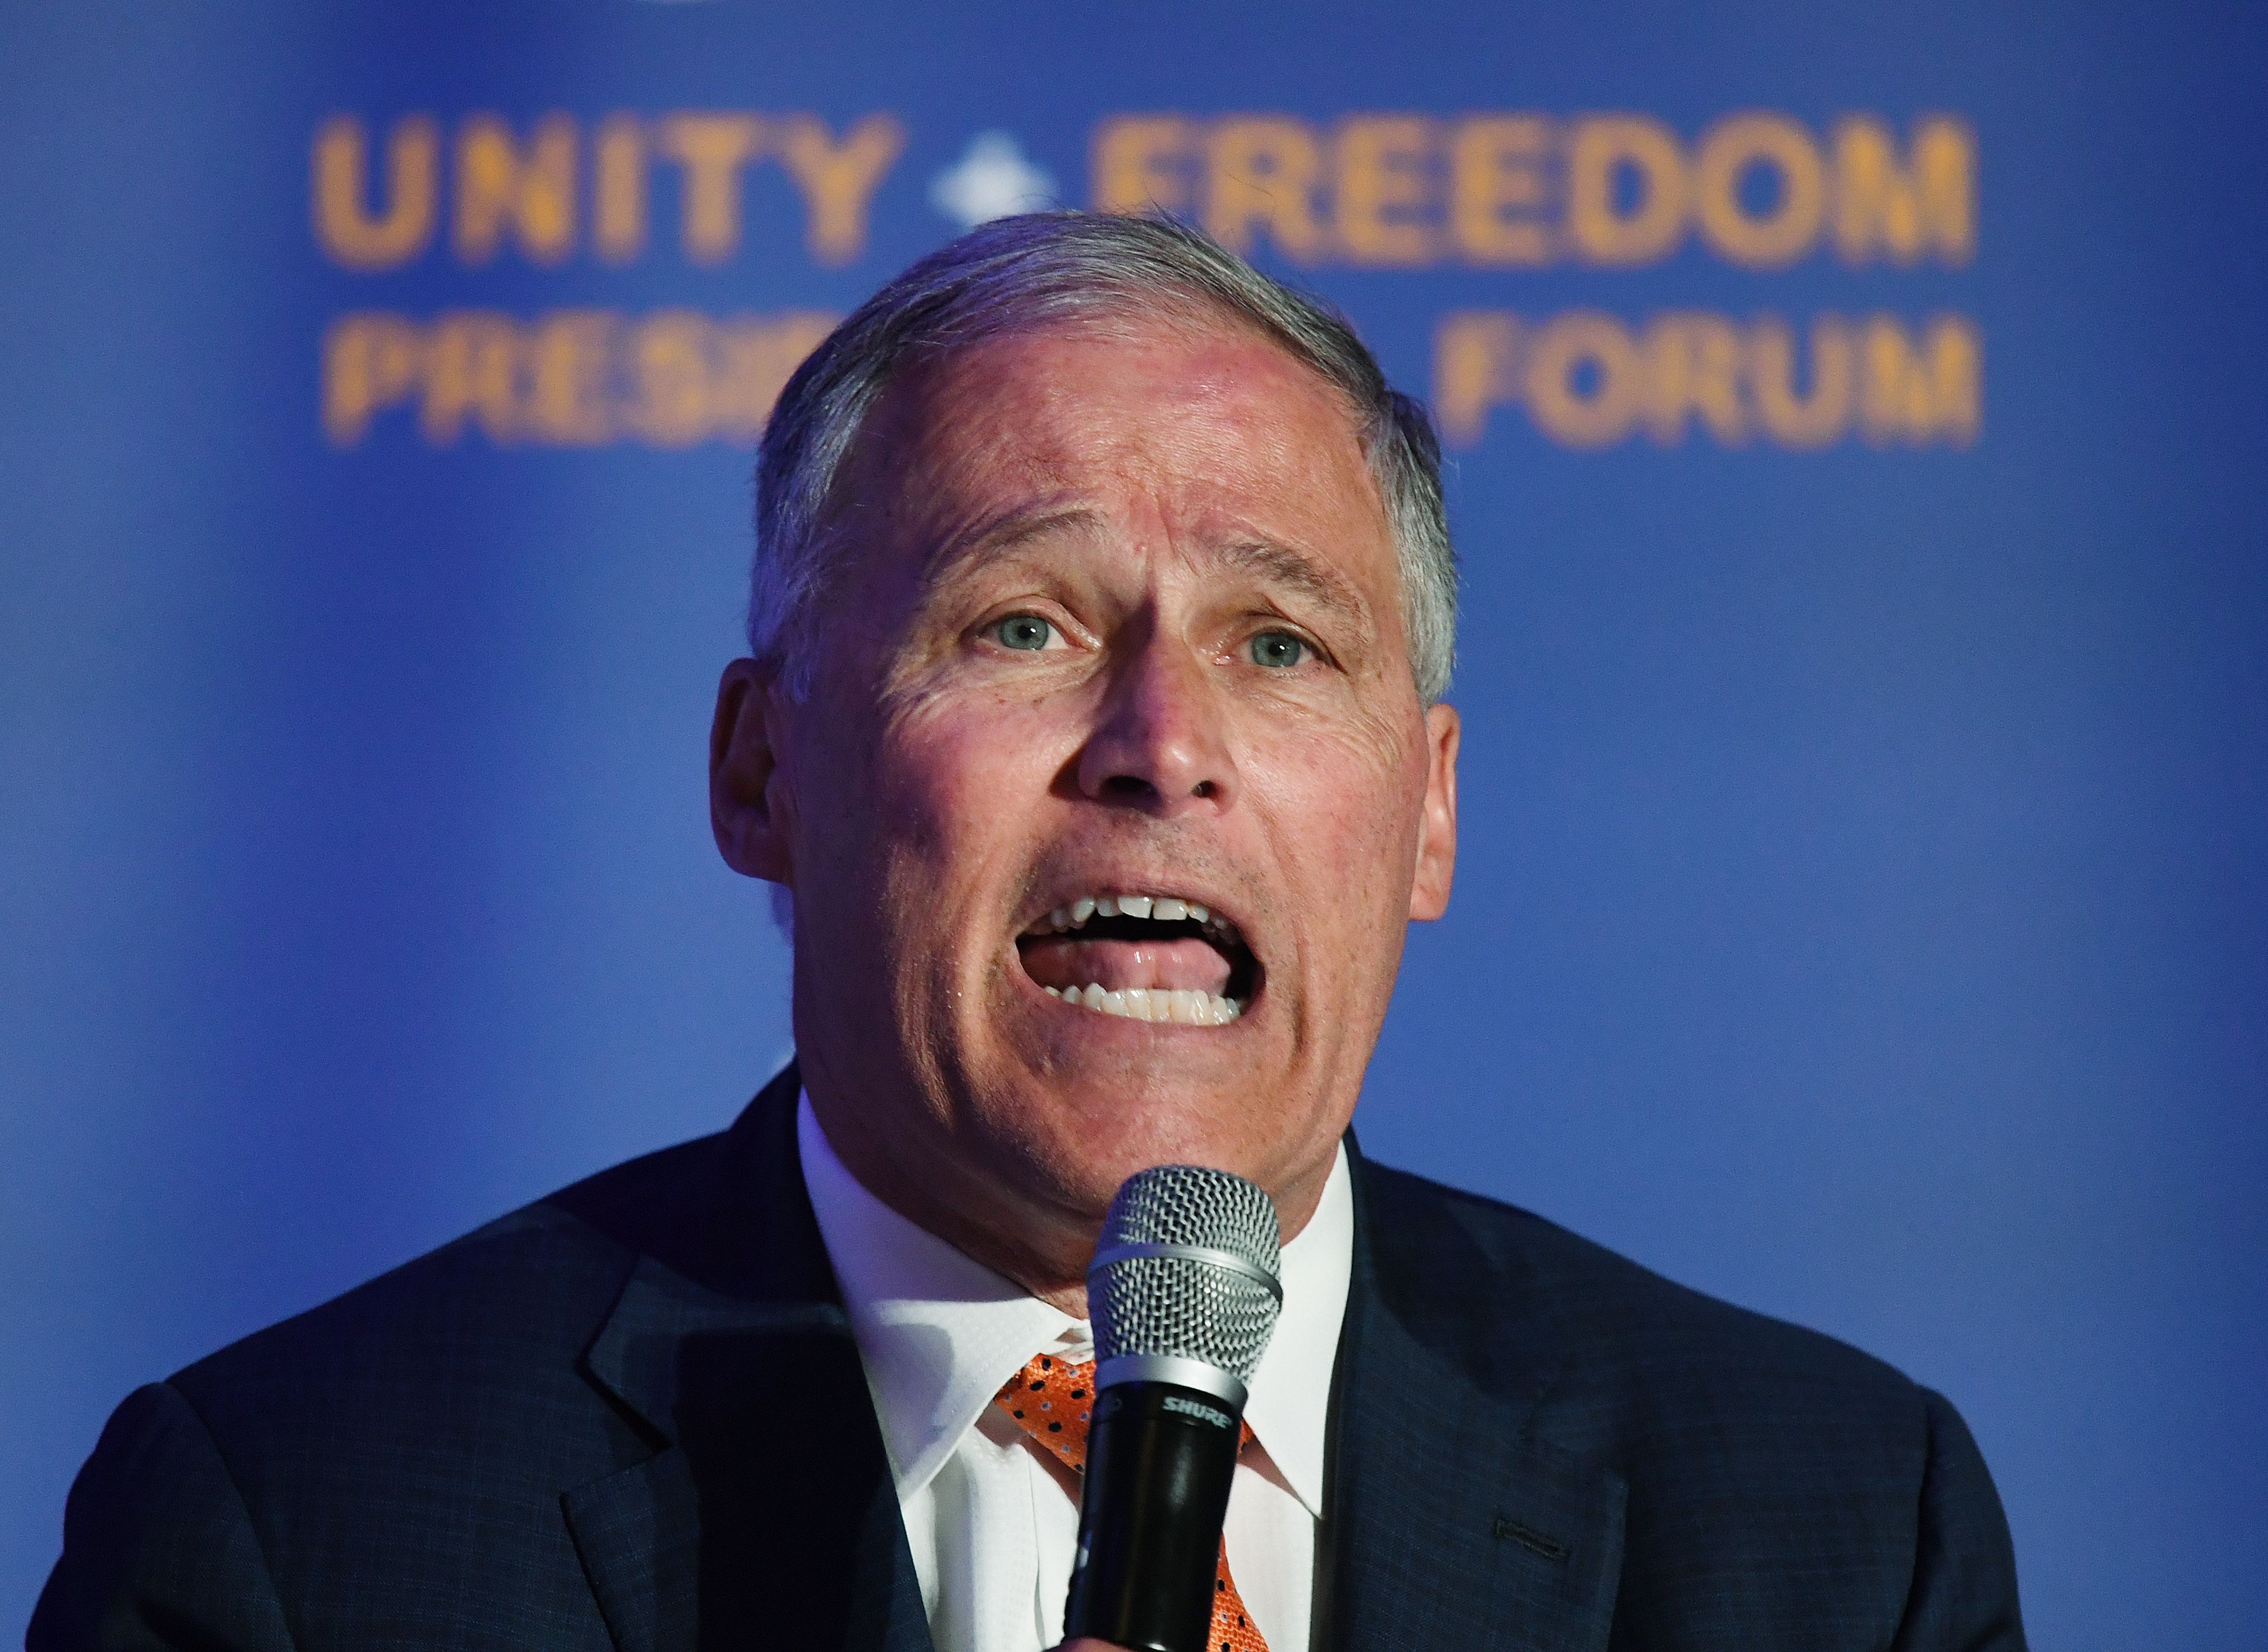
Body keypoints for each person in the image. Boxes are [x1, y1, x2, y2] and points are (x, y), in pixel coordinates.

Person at [31, 212, 2025, 1652]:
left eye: (1278, 643)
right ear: (762, 773)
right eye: (1022, 625)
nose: (1162, 744)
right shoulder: (299, 1537)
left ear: (1428, 813)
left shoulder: (1834, 1539)